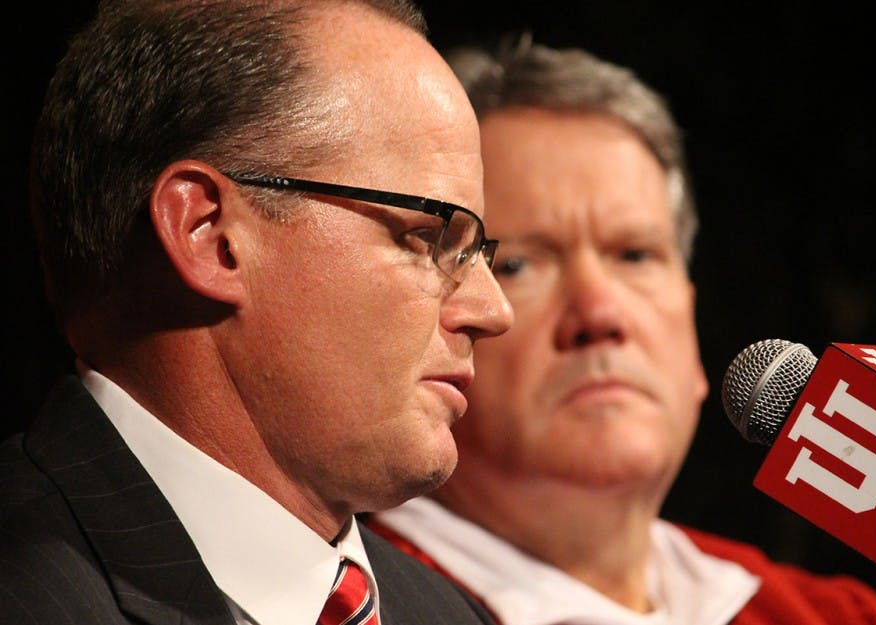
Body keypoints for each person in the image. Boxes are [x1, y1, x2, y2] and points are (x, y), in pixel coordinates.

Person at [0, 1, 515, 624]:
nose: (493, 310)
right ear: (210, 234)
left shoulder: (446, 614)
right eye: (433, 237)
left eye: (478, 253)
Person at [366, 35, 876, 625]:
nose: (600, 313)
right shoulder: (351, 603)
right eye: (518, 264)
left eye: (636, 255)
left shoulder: (830, 616)